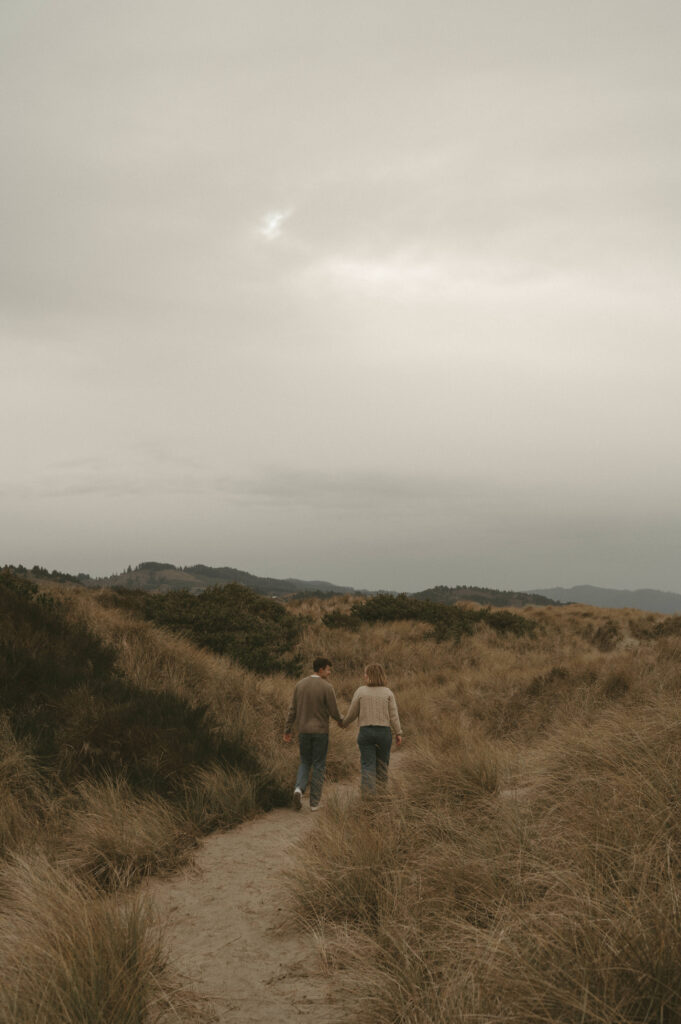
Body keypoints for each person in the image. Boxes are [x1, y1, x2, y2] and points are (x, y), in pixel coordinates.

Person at [283, 657, 343, 811]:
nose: (329, 673)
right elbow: (334, 711)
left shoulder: (300, 685)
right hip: (321, 732)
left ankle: (298, 789)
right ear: (321, 669)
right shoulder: (327, 687)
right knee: (318, 765)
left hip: (303, 731)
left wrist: (287, 729)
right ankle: (314, 803)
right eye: (328, 669)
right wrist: (341, 721)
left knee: (304, 762)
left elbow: (292, 710)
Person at [342, 663, 402, 795]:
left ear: (369, 675)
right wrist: (398, 732)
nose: (364, 676)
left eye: (365, 673)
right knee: (382, 766)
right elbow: (394, 716)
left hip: (366, 733)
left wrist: (343, 723)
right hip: (384, 733)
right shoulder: (388, 692)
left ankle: (368, 799)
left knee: (367, 765)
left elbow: (352, 713)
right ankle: (380, 797)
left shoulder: (360, 691)